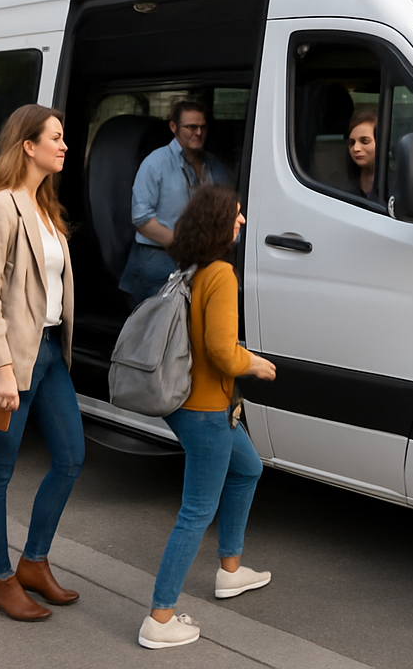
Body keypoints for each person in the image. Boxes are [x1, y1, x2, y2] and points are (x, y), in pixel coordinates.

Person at [138, 184, 277, 649]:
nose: (241, 221)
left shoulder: (191, 269)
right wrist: (252, 362)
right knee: (196, 510)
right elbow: (220, 351)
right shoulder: (220, 274)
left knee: (248, 469)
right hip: (205, 410)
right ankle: (160, 618)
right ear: (220, 223)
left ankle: (230, 571)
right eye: (236, 215)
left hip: (188, 405)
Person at [0, 104, 85, 622]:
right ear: (27, 146)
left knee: (71, 457)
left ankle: (33, 562)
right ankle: (0, 579)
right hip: (15, 360)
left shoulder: (44, 207)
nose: (63, 145)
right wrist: (1, 369)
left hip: (53, 353)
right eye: (55, 137)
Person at [119, 100, 229, 306]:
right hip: (158, 261)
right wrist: (183, 245)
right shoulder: (155, 163)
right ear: (173, 127)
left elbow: (227, 207)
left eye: (202, 127)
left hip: (201, 261)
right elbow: (142, 220)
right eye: (191, 127)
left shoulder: (213, 165)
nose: (198, 132)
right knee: (155, 333)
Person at [346, 105, 378, 199]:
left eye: (365, 141)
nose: (356, 148)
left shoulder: (394, 183)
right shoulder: (343, 178)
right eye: (352, 142)